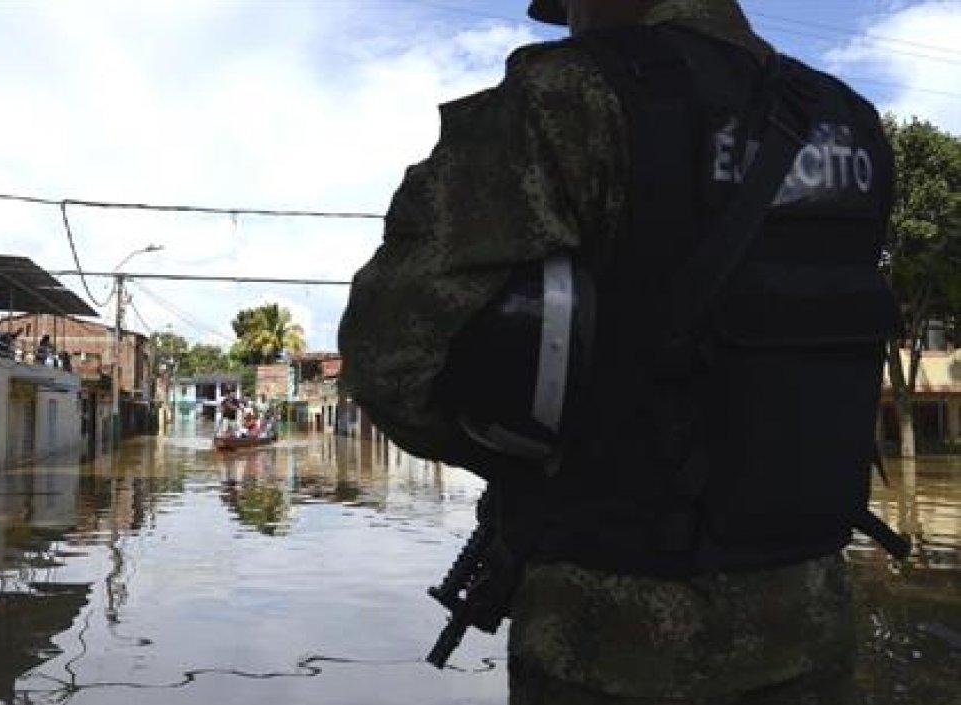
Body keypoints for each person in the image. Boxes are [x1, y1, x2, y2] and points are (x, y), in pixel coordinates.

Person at [338, 1, 902, 703]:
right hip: (813, 630)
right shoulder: (851, 124)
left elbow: (389, 358)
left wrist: (544, 457)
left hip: (609, 641)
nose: (570, 20)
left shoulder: (568, 96)